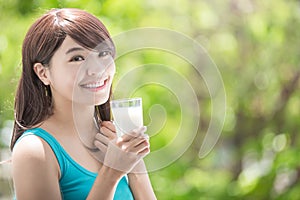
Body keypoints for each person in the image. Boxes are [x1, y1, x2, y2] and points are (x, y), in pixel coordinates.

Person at [10, 8, 156, 200]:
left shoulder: (112, 138)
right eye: (77, 58)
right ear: (43, 73)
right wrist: (111, 172)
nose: (97, 69)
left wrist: (134, 163)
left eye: (103, 53)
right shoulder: (35, 150)